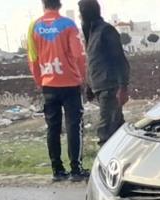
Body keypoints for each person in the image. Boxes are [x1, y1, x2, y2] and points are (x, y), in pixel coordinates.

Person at [27, 0, 88, 182]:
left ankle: (57, 170)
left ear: (43, 4)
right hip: (70, 83)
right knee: (74, 126)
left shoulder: (34, 26)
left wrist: (39, 80)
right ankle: (76, 169)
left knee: (53, 128)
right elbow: (79, 55)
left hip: (48, 84)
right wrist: (82, 78)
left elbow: (32, 57)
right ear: (59, 4)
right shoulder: (68, 25)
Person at [78, 0, 130, 145]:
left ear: (86, 14)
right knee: (117, 129)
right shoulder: (91, 33)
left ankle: (105, 158)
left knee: (105, 131)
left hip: (110, 88)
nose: (79, 17)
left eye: (80, 14)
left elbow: (120, 59)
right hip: (100, 87)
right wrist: (89, 85)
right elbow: (93, 61)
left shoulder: (106, 31)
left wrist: (123, 87)